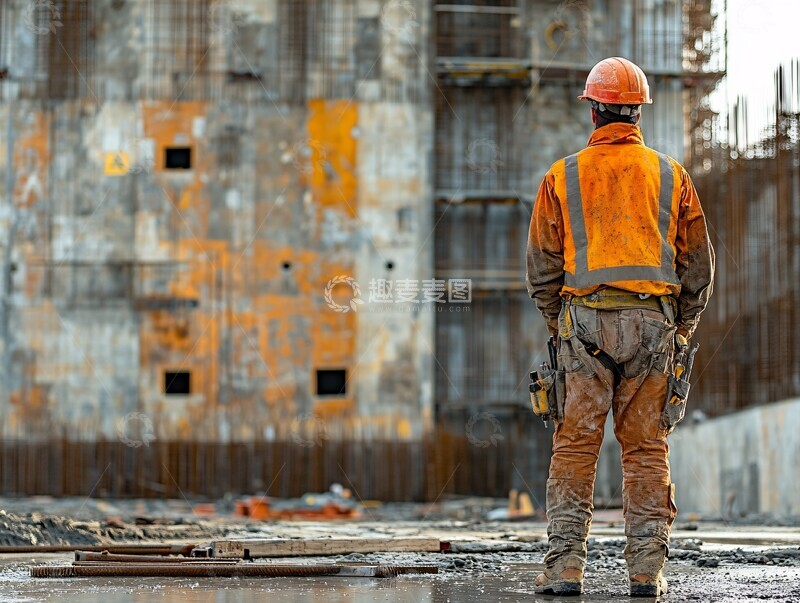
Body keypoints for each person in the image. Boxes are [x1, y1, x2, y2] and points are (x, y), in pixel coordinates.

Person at [525, 56, 715, 597]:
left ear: (593, 111)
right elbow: (697, 268)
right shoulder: (671, 174)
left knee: (575, 447)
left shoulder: (560, 176)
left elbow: (541, 269)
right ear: (637, 113)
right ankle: (646, 574)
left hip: (584, 327)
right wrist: (680, 328)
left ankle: (564, 570)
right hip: (653, 328)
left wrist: (562, 325)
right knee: (646, 451)